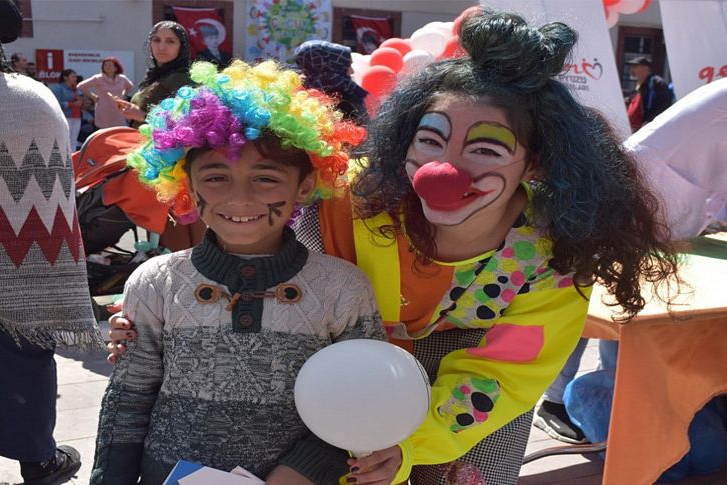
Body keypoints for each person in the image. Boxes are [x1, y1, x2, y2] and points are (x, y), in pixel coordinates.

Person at [109, 10, 680, 484]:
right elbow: (246, 223)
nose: (443, 170)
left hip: (469, 390)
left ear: (534, 161)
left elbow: (504, 375)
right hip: (342, 374)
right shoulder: (349, 200)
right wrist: (161, 309)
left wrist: (410, 442)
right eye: (430, 140)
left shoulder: (555, 259)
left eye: (485, 149)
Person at [90, 59, 384, 485]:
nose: (239, 199)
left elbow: (357, 400)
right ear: (186, 184)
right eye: (215, 177)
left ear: (304, 186)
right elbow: (129, 398)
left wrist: (299, 472)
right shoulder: (155, 281)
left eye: (266, 179)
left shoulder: (342, 288)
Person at [0, 1, 102, 484]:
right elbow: (57, 191)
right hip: (27, 259)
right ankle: (37, 458)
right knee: (27, 355)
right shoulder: (37, 96)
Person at [536, 77, 727, 445]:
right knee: (588, 292)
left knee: (631, 301)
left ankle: (614, 393)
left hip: (669, 197)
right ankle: (554, 401)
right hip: (636, 190)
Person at [112, 20, 205, 251]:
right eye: (156, 40)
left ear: (181, 47)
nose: (161, 47)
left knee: (179, 227)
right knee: (162, 223)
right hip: (152, 159)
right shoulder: (156, 77)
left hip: (174, 163)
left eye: (170, 41)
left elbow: (187, 120)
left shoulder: (184, 78)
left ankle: (190, 277)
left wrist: (141, 115)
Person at [294, 40, 369, 125]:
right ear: (333, 66)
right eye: (348, 65)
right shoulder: (341, 95)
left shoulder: (298, 94)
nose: (352, 71)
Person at [77, 56, 134, 129]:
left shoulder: (122, 78)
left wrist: (123, 94)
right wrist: (93, 96)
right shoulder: (98, 78)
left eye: (110, 65)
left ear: (116, 67)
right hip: (103, 109)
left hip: (118, 109)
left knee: (118, 131)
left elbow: (130, 87)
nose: (107, 67)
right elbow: (81, 86)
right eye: (105, 65)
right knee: (104, 131)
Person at [626, 56, 674, 132]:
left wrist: (649, 123)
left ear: (646, 68)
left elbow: (665, 106)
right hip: (635, 130)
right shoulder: (637, 87)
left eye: (635, 66)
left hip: (650, 131)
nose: (631, 70)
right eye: (631, 67)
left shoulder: (657, 84)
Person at [51, 68, 82, 149]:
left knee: (74, 140)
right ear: (65, 77)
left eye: (75, 77)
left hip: (76, 116)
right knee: (64, 139)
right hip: (65, 116)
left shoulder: (77, 88)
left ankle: (73, 158)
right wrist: (71, 104)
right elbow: (55, 103)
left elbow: (81, 101)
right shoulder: (58, 88)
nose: (75, 78)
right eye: (73, 76)